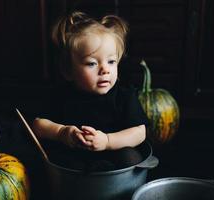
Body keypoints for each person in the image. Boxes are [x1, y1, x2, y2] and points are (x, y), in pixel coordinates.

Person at [32, 11, 148, 171]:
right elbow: (38, 125)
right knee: (53, 157)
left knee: (131, 157)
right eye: (92, 63)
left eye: (111, 61)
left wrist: (107, 141)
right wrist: (62, 132)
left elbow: (139, 133)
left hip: (113, 153)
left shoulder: (124, 96)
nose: (105, 70)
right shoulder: (62, 95)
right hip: (74, 155)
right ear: (68, 71)